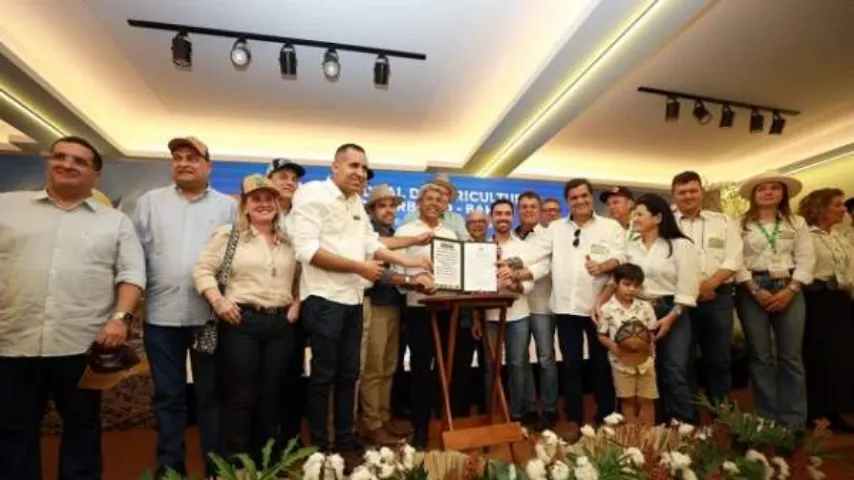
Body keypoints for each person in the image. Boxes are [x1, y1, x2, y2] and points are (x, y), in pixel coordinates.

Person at [0, 136, 146, 480]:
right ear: (49, 163)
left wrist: (120, 319)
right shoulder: (7, 207)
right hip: (12, 338)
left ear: (95, 175)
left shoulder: (114, 222)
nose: (67, 164)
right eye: (60, 157)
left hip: (81, 343)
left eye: (79, 161)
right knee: (12, 429)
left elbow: (132, 274)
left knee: (82, 426)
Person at [290, 144, 428, 469]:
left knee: (349, 375)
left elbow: (372, 245)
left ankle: (344, 439)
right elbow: (306, 251)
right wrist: (358, 267)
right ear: (334, 166)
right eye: (353, 165)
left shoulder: (354, 202)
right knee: (324, 377)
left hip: (353, 301)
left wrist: (410, 261)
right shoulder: (312, 194)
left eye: (364, 168)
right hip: (323, 300)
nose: (360, 173)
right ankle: (323, 448)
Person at [134, 136, 237, 479]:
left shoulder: (228, 207)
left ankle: (214, 464)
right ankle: (170, 465)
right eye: (177, 157)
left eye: (193, 158)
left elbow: (235, 260)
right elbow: (135, 256)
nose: (184, 163)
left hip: (209, 317)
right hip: (161, 316)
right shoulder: (150, 202)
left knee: (210, 394)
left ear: (209, 166)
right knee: (168, 395)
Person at [193, 174, 300, 463]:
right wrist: (219, 300)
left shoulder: (289, 242)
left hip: (280, 326)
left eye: (269, 198)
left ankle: (265, 463)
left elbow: (302, 279)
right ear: (245, 204)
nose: (264, 204)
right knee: (240, 397)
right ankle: (237, 465)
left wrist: (297, 302)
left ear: (278, 203)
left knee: (271, 397)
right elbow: (202, 270)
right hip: (241, 323)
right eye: (256, 198)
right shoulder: (229, 236)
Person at [510, 179, 623, 430]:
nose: (580, 201)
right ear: (567, 202)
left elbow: (621, 256)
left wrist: (603, 266)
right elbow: (534, 254)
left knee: (600, 363)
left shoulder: (610, 226)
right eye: (574, 198)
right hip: (564, 308)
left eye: (584, 196)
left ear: (590, 197)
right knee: (571, 364)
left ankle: (605, 414)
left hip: (598, 307)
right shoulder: (556, 229)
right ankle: (575, 417)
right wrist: (510, 267)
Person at [611, 193, 700, 423]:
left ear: (658, 217)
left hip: (672, 309)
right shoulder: (631, 247)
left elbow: (688, 287)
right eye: (634, 214)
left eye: (640, 213)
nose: (635, 218)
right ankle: (657, 426)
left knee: (674, 368)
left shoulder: (681, 245)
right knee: (647, 370)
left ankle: (685, 425)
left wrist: (671, 317)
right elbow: (620, 279)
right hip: (639, 311)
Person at [735, 172, 814, 429]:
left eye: (774, 188)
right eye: (763, 189)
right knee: (761, 357)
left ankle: (793, 421)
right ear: (754, 195)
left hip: (789, 286)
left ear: (783, 194)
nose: (768, 192)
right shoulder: (740, 224)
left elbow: (806, 258)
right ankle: (767, 419)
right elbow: (735, 260)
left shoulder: (796, 222)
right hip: (752, 289)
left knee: (791, 357)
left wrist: (791, 289)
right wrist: (755, 289)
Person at [360, 185, 430, 445]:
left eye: (392, 206)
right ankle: (372, 423)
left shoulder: (393, 232)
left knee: (389, 367)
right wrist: (412, 277)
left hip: (394, 306)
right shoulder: (369, 233)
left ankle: (384, 416)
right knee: (374, 368)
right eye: (382, 205)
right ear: (371, 209)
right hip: (375, 305)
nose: (389, 210)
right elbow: (381, 268)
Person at [670, 171, 743, 406]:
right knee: (684, 358)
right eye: (682, 192)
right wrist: (691, 289)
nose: (688, 196)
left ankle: (722, 411)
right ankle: (691, 413)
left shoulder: (723, 221)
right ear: (674, 195)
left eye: (693, 190)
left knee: (719, 358)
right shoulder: (664, 222)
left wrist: (710, 284)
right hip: (679, 298)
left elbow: (733, 258)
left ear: (701, 192)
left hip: (717, 295)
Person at [797, 188, 854, 431]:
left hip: (840, 299)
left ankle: (834, 410)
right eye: (838, 205)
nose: (844, 210)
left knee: (840, 356)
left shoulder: (840, 236)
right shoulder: (806, 235)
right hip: (816, 299)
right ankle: (815, 411)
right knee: (818, 354)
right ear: (820, 208)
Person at [475, 199, 536, 424]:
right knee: (490, 367)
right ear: (491, 218)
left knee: (517, 365)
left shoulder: (524, 248)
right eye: (498, 213)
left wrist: (514, 285)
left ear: (513, 217)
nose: (503, 217)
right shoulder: (480, 246)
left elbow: (530, 284)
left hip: (518, 314)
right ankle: (493, 412)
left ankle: (517, 413)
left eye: (507, 214)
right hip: (489, 316)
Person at [266, 158, 309, 448]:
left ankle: (290, 439)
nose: (289, 182)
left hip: (298, 305)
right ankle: (265, 439)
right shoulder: (257, 214)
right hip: (263, 305)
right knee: (266, 378)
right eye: (282, 176)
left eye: (293, 178)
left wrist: (299, 300)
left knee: (293, 376)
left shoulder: (303, 217)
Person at [514, 191, 558, 430]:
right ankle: (529, 406)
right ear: (518, 211)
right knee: (521, 360)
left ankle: (550, 408)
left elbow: (546, 265)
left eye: (533, 206)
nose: (528, 210)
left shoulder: (549, 236)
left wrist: (519, 272)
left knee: (546, 359)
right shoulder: (510, 236)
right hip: (517, 307)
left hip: (542, 306)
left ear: (539, 210)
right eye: (524, 207)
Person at [596, 263, 658, 425]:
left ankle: (648, 437)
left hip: (646, 363)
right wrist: (614, 347)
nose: (631, 289)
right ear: (616, 283)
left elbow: (651, 332)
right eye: (627, 284)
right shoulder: (607, 309)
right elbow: (601, 335)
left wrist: (651, 351)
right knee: (627, 401)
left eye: (636, 286)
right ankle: (632, 436)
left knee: (647, 399)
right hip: (621, 363)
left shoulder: (645, 307)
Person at [402, 173, 470, 240]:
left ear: (449, 199)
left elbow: (466, 244)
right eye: (437, 192)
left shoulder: (457, 219)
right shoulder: (411, 217)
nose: (440, 197)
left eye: (445, 194)